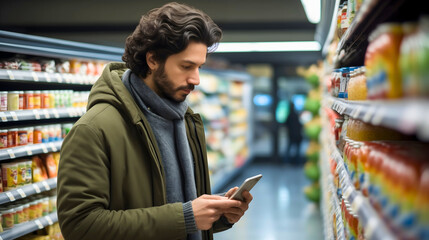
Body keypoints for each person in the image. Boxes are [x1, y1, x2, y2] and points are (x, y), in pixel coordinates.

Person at [57, 2, 253, 240]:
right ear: (152, 60)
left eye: (200, 67)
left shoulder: (186, 122)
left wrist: (218, 212)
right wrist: (186, 216)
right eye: (186, 66)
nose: (196, 79)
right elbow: (80, 226)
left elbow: (175, 207)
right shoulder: (94, 130)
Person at [284, 100, 303, 165]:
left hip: (292, 135)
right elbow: (300, 125)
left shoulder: (289, 116)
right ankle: (297, 163)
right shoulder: (296, 115)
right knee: (297, 151)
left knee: (289, 150)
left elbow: (286, 125)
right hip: (297, 135)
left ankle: (287, 162)